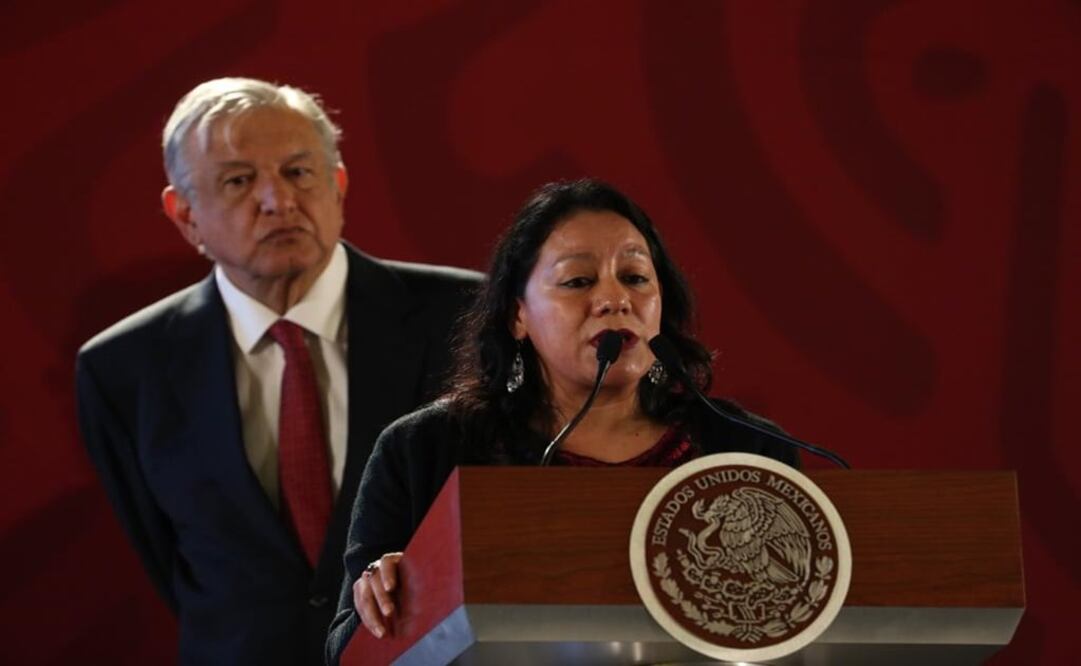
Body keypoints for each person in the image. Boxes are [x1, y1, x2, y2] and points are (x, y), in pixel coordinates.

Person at [74, 77, 481, 665]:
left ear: (338, 184)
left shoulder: (463, 318)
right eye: (239, 181)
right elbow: (171, 562)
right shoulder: (122, 370)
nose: (278, 200)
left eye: (299, 172)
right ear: (184, 214)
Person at [324, 178, 799, 662]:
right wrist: (400, 602)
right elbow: (346, 652)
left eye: (635, 277)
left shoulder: (751, 452)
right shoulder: (425, 449)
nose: (615, 300)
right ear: (518, 317)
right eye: (578, 281)